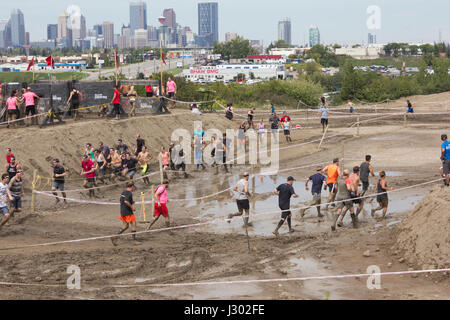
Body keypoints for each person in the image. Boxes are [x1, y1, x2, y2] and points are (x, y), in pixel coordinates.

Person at [111, 181, 141, 246]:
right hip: (128, 211)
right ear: (132, 186)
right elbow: (126, 201)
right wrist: (132, 207)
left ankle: (114, 236)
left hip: (122, 211)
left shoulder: (123, 192)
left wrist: (131, 201)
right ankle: (134, 241)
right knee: (133, 224)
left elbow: (121, 200)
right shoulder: (129, 193)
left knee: (125, 226)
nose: (134, 188)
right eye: (134, 187)